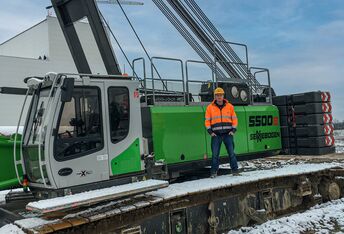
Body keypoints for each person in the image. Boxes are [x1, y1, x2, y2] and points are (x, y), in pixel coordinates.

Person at [205, 87, 239, 178]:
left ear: (223, 96)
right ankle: (213, 172)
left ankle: (235, 171)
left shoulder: (230, 106)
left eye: (221, 95)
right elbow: (207, 121)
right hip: (216, 135)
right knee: (215, 155)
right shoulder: (210, 107)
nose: (219, 97)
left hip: (228, 134)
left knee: (231, 153)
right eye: (217, 95)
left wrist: (233, 130)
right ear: (215, 96)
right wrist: (210, 132)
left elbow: (235, 119)